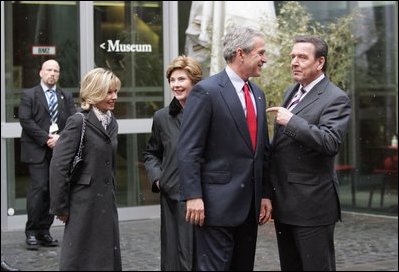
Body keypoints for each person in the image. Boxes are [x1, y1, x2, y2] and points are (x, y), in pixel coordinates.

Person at [178, 26, 273, 271]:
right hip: (214, 206)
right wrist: (193, 195)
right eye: (260, 53)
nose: (265, 59)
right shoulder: (206, 91)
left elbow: (262, 151)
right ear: (241, 53)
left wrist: (265, 194)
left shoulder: (258, 95)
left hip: (249, 208)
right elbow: (189, 149)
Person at [266, 36, 352, 271]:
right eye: (292, 56)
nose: (294, 62)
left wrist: (292, 121)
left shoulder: (336, 98)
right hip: (285, 203)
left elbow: (330, 142)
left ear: (320, 62)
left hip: (312, 205)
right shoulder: (291, 91)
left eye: (302, 57)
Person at [49, 68, 122, 271]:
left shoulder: (111, 121)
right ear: (95, 92)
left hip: (106, 201)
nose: (114, 97)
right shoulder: (78, 121)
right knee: (81, 258)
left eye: (115, 91)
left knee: (106, 255)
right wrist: (61, 207)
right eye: (109, 92)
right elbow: (59, 166)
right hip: (83, 203)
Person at [143, 55, 202, 271]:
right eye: (172, 80)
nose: (176, 85)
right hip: (172, 198)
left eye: (181, 79)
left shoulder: (209, 113)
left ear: (194, 81)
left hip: (202, 199)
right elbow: (151, 153)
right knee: (174, 258)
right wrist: (159, 179)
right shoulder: (161, 117)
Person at [18, 59, 76, 250]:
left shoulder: (65, 96)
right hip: (37, 150)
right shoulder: (29, 95)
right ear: (41, 73)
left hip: (58, 151)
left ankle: (45, 231)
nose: (52, 73)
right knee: (40, 188)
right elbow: (26, 120)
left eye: (56, 71)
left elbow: (72, 120)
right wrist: (46, 138)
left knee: (54, 189)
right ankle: (32, 232)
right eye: (49, 70)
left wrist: (60, 139)